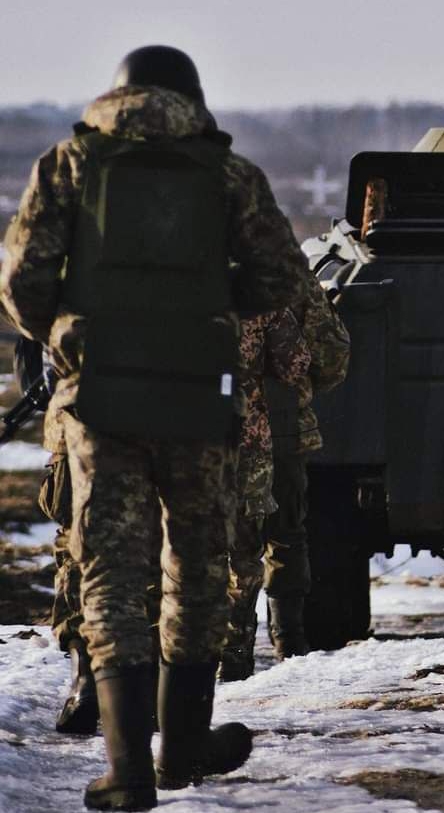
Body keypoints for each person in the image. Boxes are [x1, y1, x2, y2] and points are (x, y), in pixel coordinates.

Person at [1, 44, 304, 810]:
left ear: (118, 96)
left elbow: (20, 282)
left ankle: (129, 768)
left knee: (109, 572)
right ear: (191, 101)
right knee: (195, 568)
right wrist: (209, 310)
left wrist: (69, 335)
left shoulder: (69, 165)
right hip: (199, 394)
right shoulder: (229, 174)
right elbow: (280, 277)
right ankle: (186, 747)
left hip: (101, 400)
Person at [261, 273, 350, 658]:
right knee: (285, 533)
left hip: (209, 429)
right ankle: (289, 640)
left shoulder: (197, 267)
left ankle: (229, 654)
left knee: (213, 541)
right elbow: (330, 357)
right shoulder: (290, 275)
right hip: (283, 426)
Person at [221, 309, 310, 680]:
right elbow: (295, 364)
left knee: (173, 545)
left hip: (170, 437)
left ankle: (161, 661)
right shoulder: (259, 296)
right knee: (245, 552)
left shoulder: (158, 286)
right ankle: (235, 655)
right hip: (245, 439)